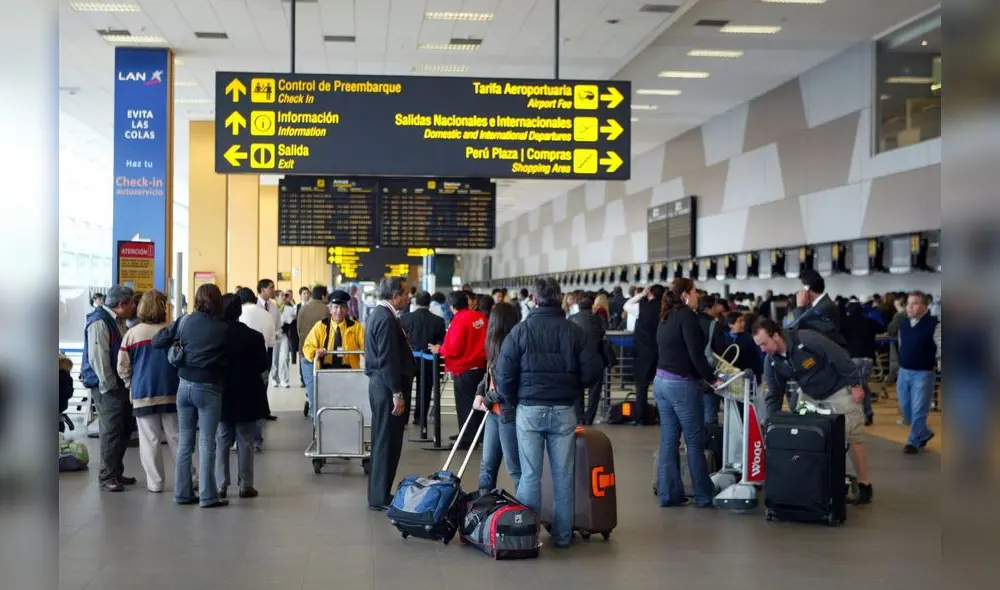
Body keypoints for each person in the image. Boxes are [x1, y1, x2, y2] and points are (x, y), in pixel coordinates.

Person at [494, 277, 603, 548]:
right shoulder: (573, 331)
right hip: (564, 409)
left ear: (535, 298)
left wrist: (513, 398)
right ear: (561, 297)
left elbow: (504, 373)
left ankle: (526, 534)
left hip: (529, 409)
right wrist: (572, 387)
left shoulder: (520, 331)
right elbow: (594, 369)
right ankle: (563, 536)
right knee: (563, 475)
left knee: (530, 474)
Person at [752, 317, 873, 504]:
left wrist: (856, 384)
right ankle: (814, 483)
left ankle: (865, 485)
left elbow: (839, 356)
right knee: (805, 437)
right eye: (759, 345)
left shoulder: (807, 340)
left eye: (764, 343)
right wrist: (771, 420)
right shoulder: (772, 361)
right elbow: (774, 393)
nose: (762, 349)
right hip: (809, 395)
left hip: (838, 389)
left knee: (852, 436)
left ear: (776, 336)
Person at [152, 284, 231, 508]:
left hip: (184, 386)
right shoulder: (222, 328)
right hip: (209, 388)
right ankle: (207, 496)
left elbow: (157, 341)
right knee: (207, 442)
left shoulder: (184, 321)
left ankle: (182, 492)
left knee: (185, 442)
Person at [652, 278, 721, 508]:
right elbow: (695, 354)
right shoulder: (688, 317)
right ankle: (703, 495)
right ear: (684, 295)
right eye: (694, 292)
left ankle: (669, 494)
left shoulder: (666, 315)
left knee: (669, 442)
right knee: (694, 441)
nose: (698, 296)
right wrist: (711, 379)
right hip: (681, 386)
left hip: (661, 382)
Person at [117, 290, 181, 494]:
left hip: (143, 393)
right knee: (177, 438)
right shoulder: (171, 331)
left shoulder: (132, 334)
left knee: (149, 440)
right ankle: (190, 478)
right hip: (171, 391)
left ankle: (155, 483)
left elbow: (122, 367)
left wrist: (131, 384)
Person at [363, 277, 415, 510]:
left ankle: (379, 493)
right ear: (395, 296)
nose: (408, 297)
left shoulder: (383, 316)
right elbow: (387, 359)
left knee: (385, 440)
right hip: (386, 387)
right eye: (405, 294)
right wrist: (397, 392)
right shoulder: (385, 319)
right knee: (386, 442)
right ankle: (379, 497)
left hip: (383, 385)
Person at [81, 284, 136, 492]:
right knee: (111, 430)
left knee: (123, 428)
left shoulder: (118, 321)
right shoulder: (99, 323)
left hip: (117, 384)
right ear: (121, 304)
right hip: (107, 386)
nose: (134, 307)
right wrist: (110, 387)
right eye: (131, 303)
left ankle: (116, 471)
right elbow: (99, 359)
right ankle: (107, 476)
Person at [216, 294, 270, 499]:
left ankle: (221, 485)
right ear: (239, 312)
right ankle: (246, 484)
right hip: (248, 393)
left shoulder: (216, 336)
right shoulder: (254, 336)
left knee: (221, 439)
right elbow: (262, 365)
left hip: (222, 393)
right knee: (246, 439)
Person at [430, 290, 488, 450]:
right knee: (479, 404)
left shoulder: (459, 320)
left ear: (452, 305)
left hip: (464, 369)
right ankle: (479, 435)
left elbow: (453, 348)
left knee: (465, 406)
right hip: (481, 368)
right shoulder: (480, 317)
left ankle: (468, 439)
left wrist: (439, 349)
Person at [473, 302, 521, 490]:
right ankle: (483, 509)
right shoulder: (495, 345)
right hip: (494, 412)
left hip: (508, 413)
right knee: (487, 466)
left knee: (515, 469)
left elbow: (507, 387)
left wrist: (486, 399)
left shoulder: (513, 346)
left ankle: (526, 514)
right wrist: (480, 392)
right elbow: (490, 375)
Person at [302, 290, 365, 431]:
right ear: (329, 309)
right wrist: (316, 352)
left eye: (342, 307)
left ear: (347, 309)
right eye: (335, 307)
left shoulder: (355, 327)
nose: (339, 311)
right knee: (327, 406)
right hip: (326, 374)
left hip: (349, 374)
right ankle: (326, 435)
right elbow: (308, 347)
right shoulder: (321, 326)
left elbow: (366, 348)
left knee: (347, 406)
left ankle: (347, 433)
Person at [896, 291, 938, 454]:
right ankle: (925, 433)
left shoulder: (934, 324)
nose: (909, 307)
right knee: (905, 408)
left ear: (924, 306)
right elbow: (901, 344)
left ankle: (913, 442)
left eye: (914, 303)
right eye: (908, 304)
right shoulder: (904, 324)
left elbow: (941, 346)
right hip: (904, 371)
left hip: (923, 373)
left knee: (919, 409)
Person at [237, 287, 276, 452]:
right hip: (261, 363)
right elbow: (272, 343)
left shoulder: (238, 315)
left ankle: (237, 440)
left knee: (239, 402)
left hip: (240, 365)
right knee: (259, 401)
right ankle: (257, 440)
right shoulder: (267, 315)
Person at [399, 291, 446, 426]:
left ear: (415, 302)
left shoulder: (405, 318)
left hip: (408, 360)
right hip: (429, 360)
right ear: (429, 302)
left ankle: (403, 417)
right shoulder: (438, 321)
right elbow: (441, 342)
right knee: (425, 390)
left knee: (405, 389)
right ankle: (420, 418)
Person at [623, 284, 666, 425]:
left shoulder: (641, 307)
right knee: (660, 386)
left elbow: (627, 305)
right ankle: (661, 416)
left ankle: (641, 417)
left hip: (642, 351)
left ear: (650, 293)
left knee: (641, 386)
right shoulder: (664, 308)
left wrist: (641, 295)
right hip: (660, 350)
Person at [569, 294, 608, 425]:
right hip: (596, 359)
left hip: (577, 360)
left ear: (578, 308)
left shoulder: (571, 319)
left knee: (577, 389)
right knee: (595, 392)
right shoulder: (598, 318)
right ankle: (589, 418)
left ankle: (579, 416)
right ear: (591, 307)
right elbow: (604, 331)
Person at [841, 301, 882, 425]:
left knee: (855, 387)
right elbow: (882, 328)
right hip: (868, 358)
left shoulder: (845, 323)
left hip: (852, 358)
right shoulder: (870, 322)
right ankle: (867, 412)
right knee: (862, 385)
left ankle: (860, 413)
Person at [788, 269, 848, 349]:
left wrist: (800, 307)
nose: (799, 291)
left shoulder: (824, 307)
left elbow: (799, 328)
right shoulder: (817, 306)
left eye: (800, 287)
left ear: (807, 288)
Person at [297, 285, 331, 417]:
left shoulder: (303, 309)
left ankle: (313, 410)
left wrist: (301, 350)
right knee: (324, 382)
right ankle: (324, 408)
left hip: (306, 351)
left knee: (310, 382)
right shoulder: (327, 309)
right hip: (324, 353)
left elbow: (299, 330)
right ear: (323, 296)